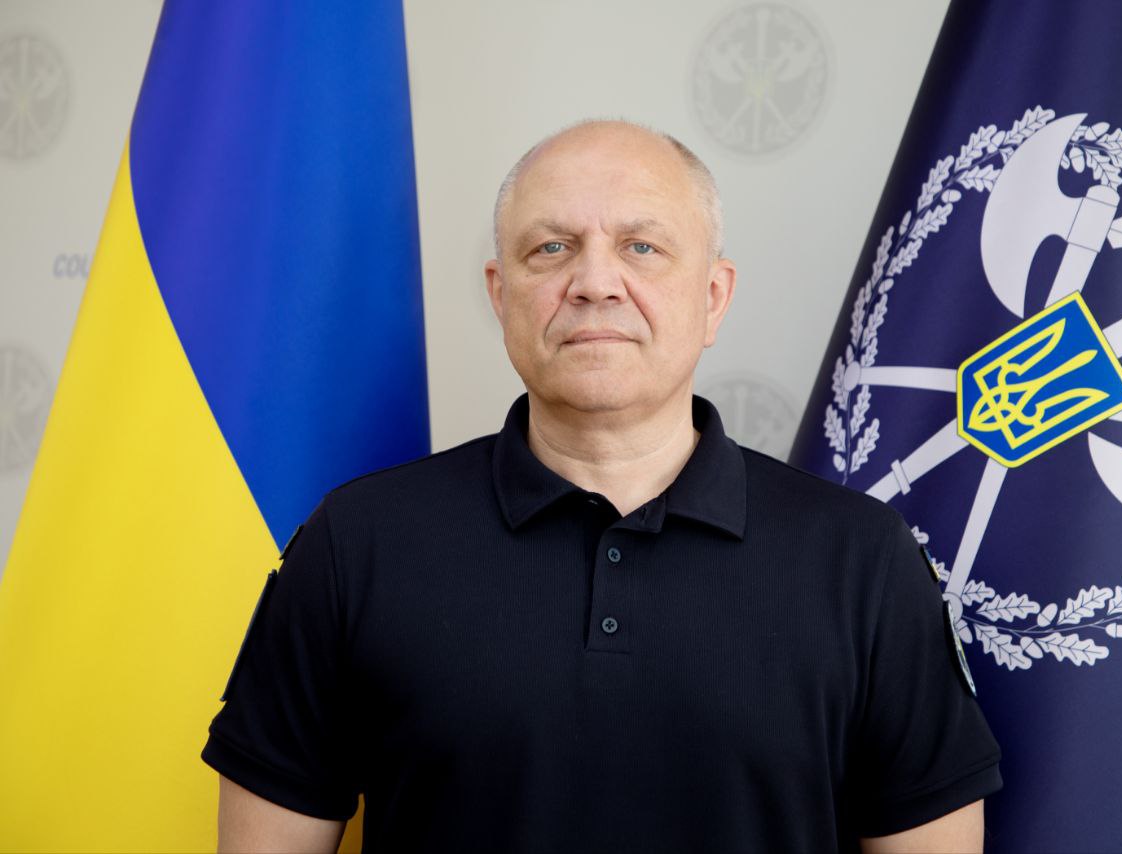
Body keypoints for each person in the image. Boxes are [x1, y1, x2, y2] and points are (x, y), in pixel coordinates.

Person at [202, 119, 1001, 853]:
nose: (594, 282)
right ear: (500, 294)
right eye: (550, 248)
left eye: (641, 247)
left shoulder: (864, 561)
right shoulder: (357, 543)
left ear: (713, 296)